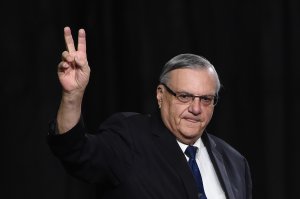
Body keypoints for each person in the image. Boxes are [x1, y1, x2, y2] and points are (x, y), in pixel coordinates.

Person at [48, 27, 252, 199]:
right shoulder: (129, 137)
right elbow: (75, 151)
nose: (196, 108)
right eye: (184, 96)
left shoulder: (234, 162)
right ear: (161, 95)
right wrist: (72, 96)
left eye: (206, 99)